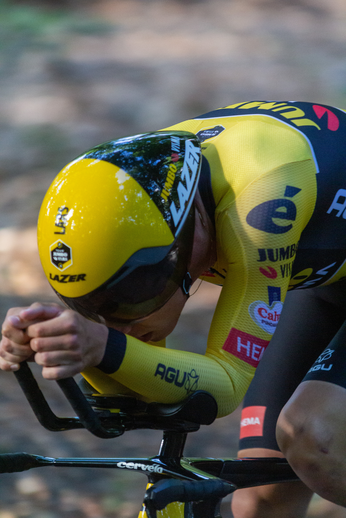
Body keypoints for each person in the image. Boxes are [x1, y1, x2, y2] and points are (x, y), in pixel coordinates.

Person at [1, 100, 346, 515]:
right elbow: (131, 392)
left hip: (305, 246)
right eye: (91, 304)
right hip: (325, 280)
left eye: (135, 293)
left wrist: (103, 346)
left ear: (190, 233)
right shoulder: (154, 194)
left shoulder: (262, 204)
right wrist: (58, 342)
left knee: (314, 436)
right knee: (261, 498)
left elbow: (224, 386)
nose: (123, 324)